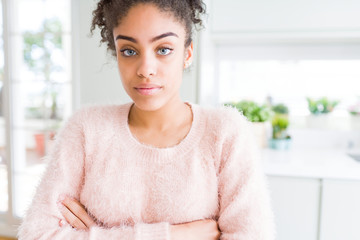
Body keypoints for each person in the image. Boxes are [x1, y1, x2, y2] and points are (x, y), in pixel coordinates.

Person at [18, 0, 275, 239]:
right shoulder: (86, 128)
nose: (145, 69)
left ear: (187, 54)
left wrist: (96, 234)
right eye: (129, 51)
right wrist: (175, 235)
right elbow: (37, 234)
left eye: (163, 49)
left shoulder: (225, 132)